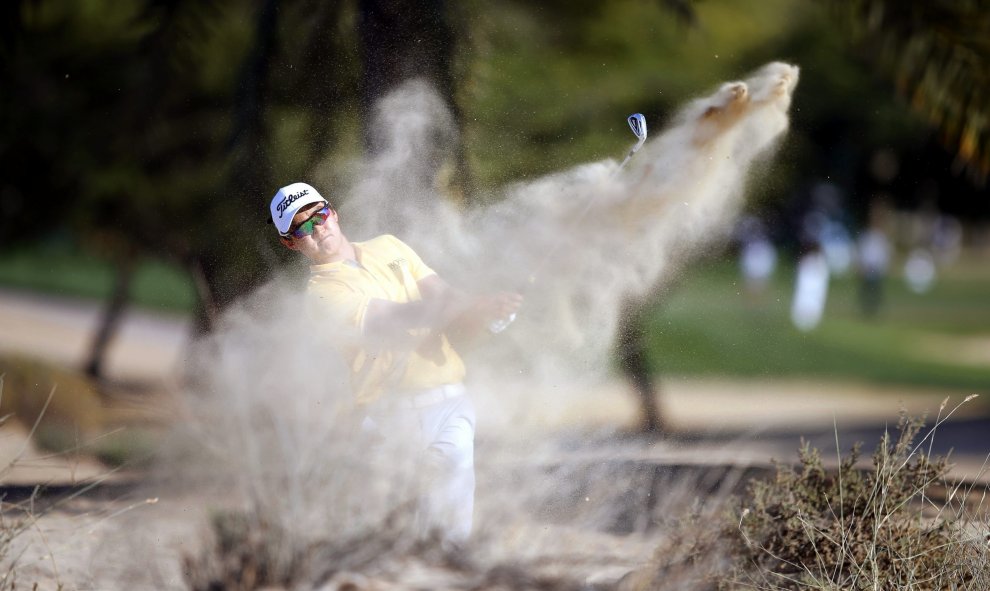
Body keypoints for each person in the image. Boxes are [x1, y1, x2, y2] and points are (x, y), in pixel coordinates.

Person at [268, 182, 522, 546]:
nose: (317, 228)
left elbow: (443, 295)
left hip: (451, 402)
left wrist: (483, 311)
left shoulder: (389, 246)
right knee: (401, 530)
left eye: (319, 215)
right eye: (302, 227)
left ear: (333, 212)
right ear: (290, 243)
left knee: (451, 526)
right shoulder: (322, 294)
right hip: (392, 419)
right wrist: (471, 306)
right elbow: (391, 319)